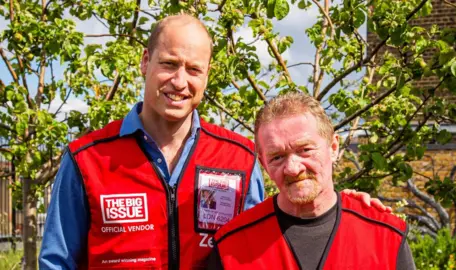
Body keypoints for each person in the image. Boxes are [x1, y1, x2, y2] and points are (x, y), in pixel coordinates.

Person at [39, 14, 390, 269]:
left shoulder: (239, 158)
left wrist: (343, 202)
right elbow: (57, 263)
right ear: (145, 62)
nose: (179, 81)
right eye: (168, 63)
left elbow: (272, 233)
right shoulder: (87, 159)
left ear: (206, 76)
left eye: (193, 69)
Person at [210, 92, 416, 269]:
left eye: (305, 150)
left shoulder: (385, 236)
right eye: (277, 157)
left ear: (333, 148)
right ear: (264, 164)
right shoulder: (233, 245)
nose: (292, 168)